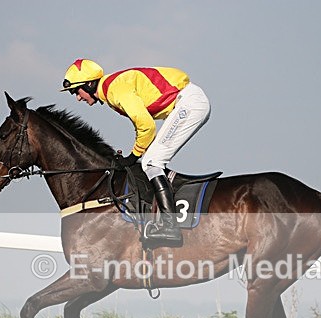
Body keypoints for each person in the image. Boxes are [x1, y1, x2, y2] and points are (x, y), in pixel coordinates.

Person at [61, 58, 211, 246]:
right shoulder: (111, 89)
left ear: (90, 84)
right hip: (186, 103)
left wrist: (133, 156)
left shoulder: (115, 90)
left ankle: (169, 226)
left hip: (188, 104)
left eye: (77, 90)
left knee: (150, 162)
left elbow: (146, 126)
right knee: (152, 159)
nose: (78, 97)